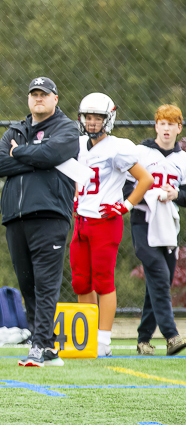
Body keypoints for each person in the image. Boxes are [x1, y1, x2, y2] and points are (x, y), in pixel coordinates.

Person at [0, 77, 79, 368]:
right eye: (34, 94)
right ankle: (48, 345)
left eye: (44, 94)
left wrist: (18, 152)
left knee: (46, 284)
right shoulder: (16, 129)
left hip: (50, 215)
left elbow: (53, 153)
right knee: (27, 284)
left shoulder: (66, 128)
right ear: (29, 99)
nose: (38, 98)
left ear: (56, 98)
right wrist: (36, 158)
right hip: (15, 217)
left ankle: (39, 345)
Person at [72, 93, 152, 357]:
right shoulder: (79, 144)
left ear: (108, 119)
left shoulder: (118, 147)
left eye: (97, 118)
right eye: (88, 117)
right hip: (81, 221)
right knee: (81, 282)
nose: (92, 123)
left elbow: (145, 180)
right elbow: (79, 178)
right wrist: (74, 197)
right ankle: (87, 337)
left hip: (106, 222)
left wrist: (125, 206)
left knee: (103, 281)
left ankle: (103, 341)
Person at [125, 105, 186, 356]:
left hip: (168, 226)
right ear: (156, 126)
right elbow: (126, 188)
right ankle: (171, 336)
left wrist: (175, 194)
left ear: (179, 128)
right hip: (144, 221)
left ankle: (143, 339)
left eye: (172, 124)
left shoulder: (182, 159)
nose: (167, 128)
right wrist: (148, 196)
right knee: (159, 275)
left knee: (159, 281)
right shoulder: (140, 152)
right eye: (163, 123)